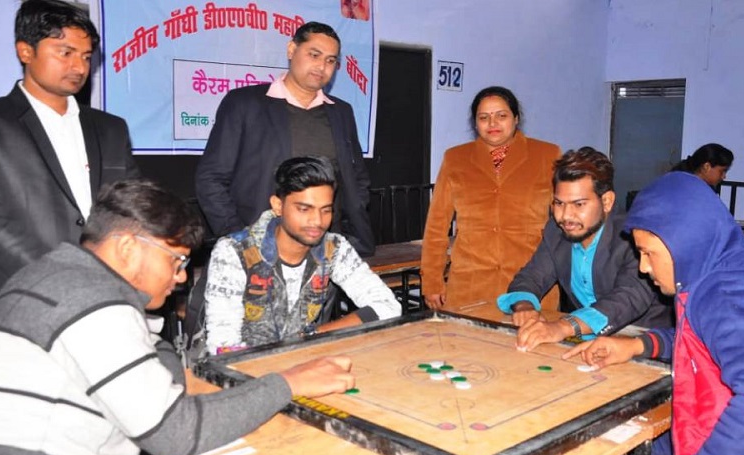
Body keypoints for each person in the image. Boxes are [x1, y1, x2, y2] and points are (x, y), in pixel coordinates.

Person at [0, 179, 355, 455]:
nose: (181, 276)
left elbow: (165, 368)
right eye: (176, 260)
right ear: (128, 247)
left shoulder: (53, 275)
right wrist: (290, 382)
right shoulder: (92, 304)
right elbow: (177, 433)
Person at [564, 171, 744, 455]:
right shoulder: (740, 268)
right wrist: (640, 344)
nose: (643, 267)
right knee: (650, 452)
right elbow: (710, 336)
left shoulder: (722, 292)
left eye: (648, 253)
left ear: (681, 241)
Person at [0, 0, 138, 325]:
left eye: (86, 56)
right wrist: (65, 276)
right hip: (24, 306)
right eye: (65, 52)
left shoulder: (112, 129)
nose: (79, 67)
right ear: (25, 51)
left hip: (108, 303)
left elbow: (131, 205)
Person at [195, 21, 375, 257]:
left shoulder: (341, 112)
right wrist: (239, 240)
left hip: (323, 253)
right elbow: (211, 179)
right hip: (260, 251)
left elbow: (356, 179)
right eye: (314, 54)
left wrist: (344, 236)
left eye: (331, 60)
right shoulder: (245, 104)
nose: (322, 66)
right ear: (292, 50)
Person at [203, 156, 400, 354]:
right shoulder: (235, 251)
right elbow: (223, 347)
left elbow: (387, 306)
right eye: (304, 209)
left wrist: (315, 335)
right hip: (245, 375)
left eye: (326, 210)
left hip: (304, 364)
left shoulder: (334, 248)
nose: (317, 221)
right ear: (278, 206)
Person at [497, 147, 672, 351]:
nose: (566, 216)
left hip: (642, 342)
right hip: (586, 340)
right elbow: (531, 277)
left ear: (606, 202)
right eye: (559, 203)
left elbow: (627, 299)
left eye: (579, 204)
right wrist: (525, 308)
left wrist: (563, 327)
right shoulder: (556, 231)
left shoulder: (634, 237)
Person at [421, 86, 561, 312]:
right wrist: (432, 281)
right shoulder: (456, 158)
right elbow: (437, 225)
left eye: (501, 116)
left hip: (532, 285)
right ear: (475, 123)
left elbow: (563, 221)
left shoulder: (547, 155)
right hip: (470, 284)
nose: (492, 123)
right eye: (484, 117)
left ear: (516, 119)